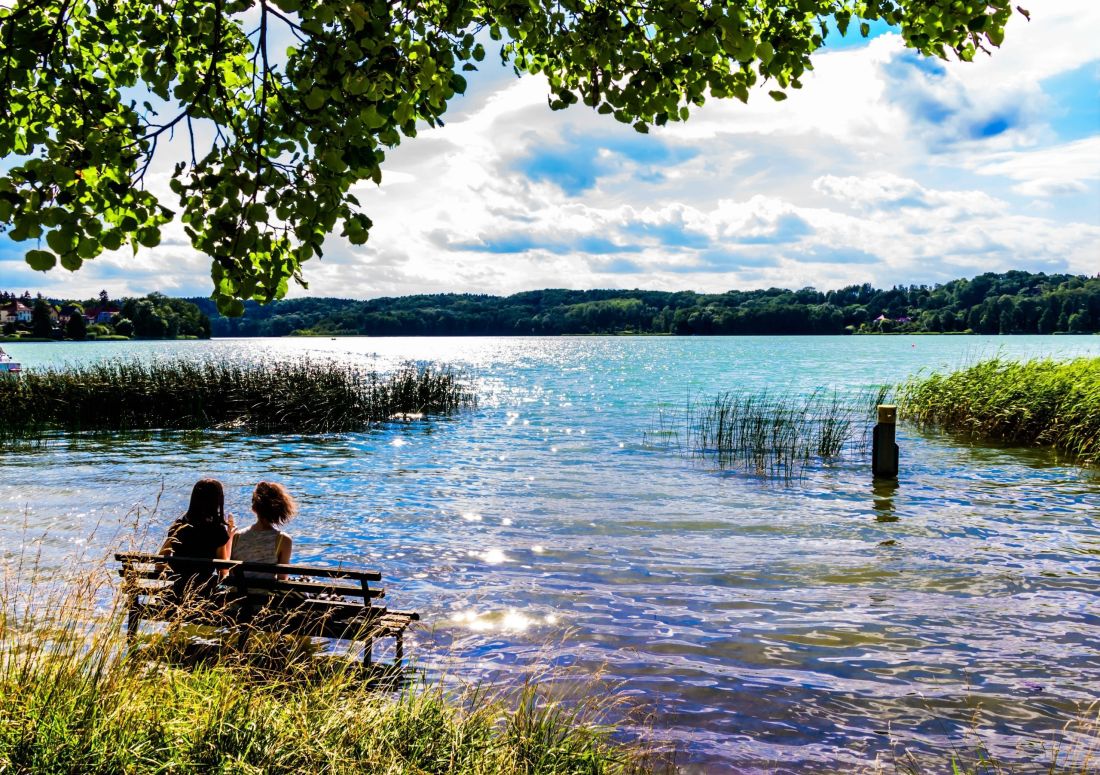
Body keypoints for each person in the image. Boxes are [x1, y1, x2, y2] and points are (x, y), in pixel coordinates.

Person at [160, 478, 233, 600]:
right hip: (204, 596)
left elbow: (159, 564)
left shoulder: (178, 526)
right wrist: (229, 536)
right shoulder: (217, 530)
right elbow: (223, 571)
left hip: (177, 594)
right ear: (217, 501)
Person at [231, 481, 296, 578]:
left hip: (237, 591)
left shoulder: (237, 536)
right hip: (266, 592)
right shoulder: (284, 540)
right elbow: (282, 578)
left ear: (254, 509)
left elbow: (231, 571)